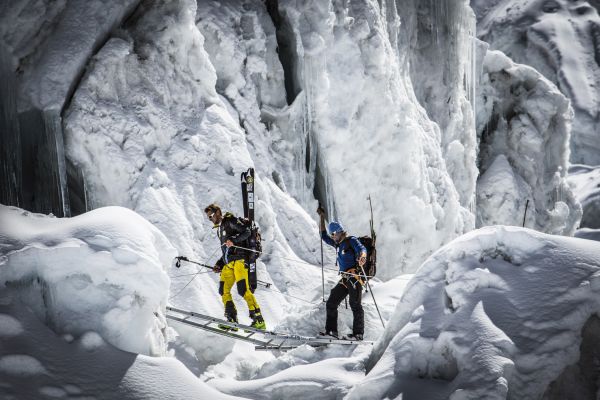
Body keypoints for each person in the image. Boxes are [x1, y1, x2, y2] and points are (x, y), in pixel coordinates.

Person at [204, 203, 266, 331]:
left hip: (240, 260)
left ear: (217, 213)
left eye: (211, 216)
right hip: (229, 263)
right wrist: (219, 264)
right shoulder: (220, 231)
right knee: (223, 290)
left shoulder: (230, 220)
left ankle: (259, 320)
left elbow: (247, 232)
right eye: (208, 217)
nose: (210, 219)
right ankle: (232, 320)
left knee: (243, 290)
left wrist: (234, 240)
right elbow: (226, 251)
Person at [318, 206, 367, 340]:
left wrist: (362, 256)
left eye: (334, 234)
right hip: (345, 279)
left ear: (340, 232)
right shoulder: (338, 244)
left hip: (355, 277)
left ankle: (358, 334)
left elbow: (361, 248)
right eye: (332, 235)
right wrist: (322, 217)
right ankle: (331, 332)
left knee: (355, 304)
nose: (332, 237)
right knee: (332, 302)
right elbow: (323, 235)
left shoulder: (351, 240)